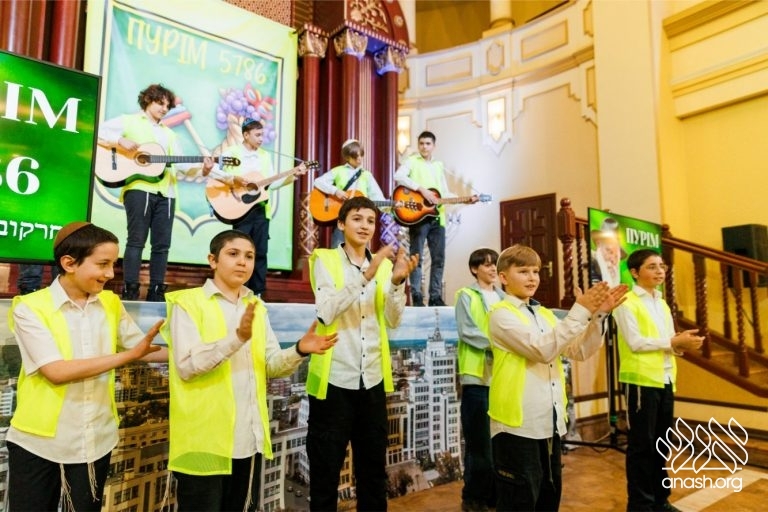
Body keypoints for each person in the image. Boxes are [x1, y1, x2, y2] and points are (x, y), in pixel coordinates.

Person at [161, 229, 337, 511]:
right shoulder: (187, 303)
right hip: (203, 442)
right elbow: (186, 367)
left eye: (250, 256)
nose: (242, 262)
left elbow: (271, 365)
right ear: (212, 260)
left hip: (246, 440)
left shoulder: (256, 307)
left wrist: (299, 350)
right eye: (233, 254)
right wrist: (237, 338)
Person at [6, 221, 166, 512]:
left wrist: (213, 349)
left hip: (95, 440)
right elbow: (56, 372)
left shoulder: (110, 302)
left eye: (113, 264)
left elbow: (143, 349)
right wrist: (128, 356)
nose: (111, 273)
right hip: (39, 444)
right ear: (69, 263)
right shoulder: (30, 307)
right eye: (103, 264)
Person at [488, 244, 628, 511]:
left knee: (548, 498)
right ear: (503, 277)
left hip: (549, 422)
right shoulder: (501, 314)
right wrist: (581, 310)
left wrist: (598, 316)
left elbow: (579, 350)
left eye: (536, 271)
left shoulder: (544, 314)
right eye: (523, 271)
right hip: (517, 425)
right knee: (519, 502)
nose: (532, 278)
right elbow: (542, 350)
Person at [306, 196, 418, 511]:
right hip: (334, 381)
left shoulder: (385, 267)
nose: (365, 226)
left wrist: (396, 282)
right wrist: (366, 275)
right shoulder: (324, 259)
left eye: (370, 220)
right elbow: (326, 312)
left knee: (373, 474)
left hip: (372, 381)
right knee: (325, 473)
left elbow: (393, 320)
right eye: (357, 218)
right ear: (341, 224)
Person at [98, 83, 214, 302]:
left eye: (167, 106)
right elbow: (97, 131)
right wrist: (120, 140)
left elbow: (181, 166)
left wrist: (204, 169)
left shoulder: (170, 134)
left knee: (162, 246)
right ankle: (130, 289)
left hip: (166, 193)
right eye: (160, 103)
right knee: (136, 241)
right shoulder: (128, 121)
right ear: (147, 100)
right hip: (139, 189)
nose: (164, 109)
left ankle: (156, 291)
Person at [613, 249, 704, 512]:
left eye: (661, 266)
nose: (660, 271)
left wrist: (682, 344)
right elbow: (636, 342)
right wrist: (674, 341)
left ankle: (660, 500)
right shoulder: (626, 302)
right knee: (642, 446)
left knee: (661, 443)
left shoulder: (661, 303)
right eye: (652, 266)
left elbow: (666, 342)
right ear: (634, 272)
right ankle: (640, 505)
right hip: (640, 380)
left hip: (664, 378)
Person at [209, 117, 308, 296]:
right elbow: (215, 172)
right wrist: (234, 181)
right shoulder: (232, 152)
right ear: (246, 135)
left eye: (262, 135)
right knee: (240, 250)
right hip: (240, 210)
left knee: (260, 252)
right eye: (257, 135)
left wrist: (293, 176)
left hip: (260, 209)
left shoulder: (264, 156)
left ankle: (258, 293)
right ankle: (237, 290)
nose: (261, 138)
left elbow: (269, 185)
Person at [394, 130, 478, 306]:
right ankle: (417, 295)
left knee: (438, 259)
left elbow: (443, 192)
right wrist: (422, 190)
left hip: (437, 217)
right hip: (418, 216)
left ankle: (435, 296)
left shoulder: (438, 165)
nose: (424, 147)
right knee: (416, 257)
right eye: (421, 143)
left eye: (428, 144)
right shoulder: (412, 161)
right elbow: (398, 176)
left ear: (434, 146)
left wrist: (464, 200)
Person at [455, 248, 504, 512]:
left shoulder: (505, 297)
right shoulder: (466, 295)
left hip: (503, 379)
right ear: (475, 269)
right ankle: (473, 498)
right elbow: (468, 332)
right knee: (479, 446)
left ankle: (494, 496)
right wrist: (501, 345)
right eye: (486, 265)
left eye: (495, 264)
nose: (492, 268)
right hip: (477, 379)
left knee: (499, 444)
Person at [313, 139, 388, 247]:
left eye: (361, 155)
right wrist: (336, 191)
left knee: (360, 251)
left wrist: (392, 206)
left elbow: (378, 197)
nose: (359, 159)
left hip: (360, 220)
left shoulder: (366, 175)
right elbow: (318, 182)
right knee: (338, 249)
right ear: (347, 157)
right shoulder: (338, 170)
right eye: (355, 156)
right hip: (342, 217)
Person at [590, 217, 626, 287]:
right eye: (608, 250)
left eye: (616, 256)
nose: (612, 259)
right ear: (598, 244)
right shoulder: (592, 267)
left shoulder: (616, 278)